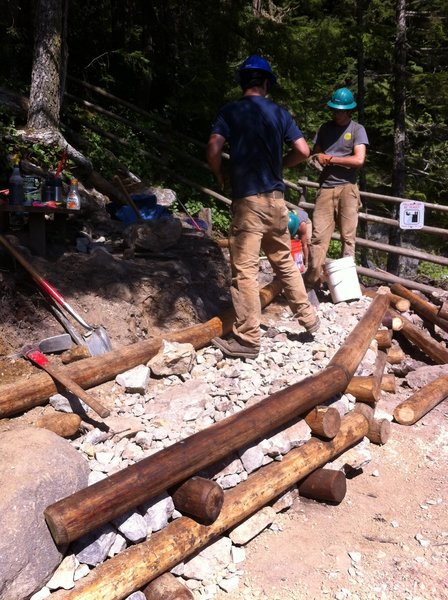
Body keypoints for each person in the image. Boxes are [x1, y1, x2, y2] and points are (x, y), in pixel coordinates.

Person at [206, 54, 320, 360]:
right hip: (276, 202)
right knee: (283, 260)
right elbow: (304, 150)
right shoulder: (279, 113)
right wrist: (282, 165)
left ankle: (247, 339)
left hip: (248, 202)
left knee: (244, 270)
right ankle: (309, 319)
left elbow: (214, 148)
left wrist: (220, 174)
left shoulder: (230, 111)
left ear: (243, 82)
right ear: (266, 83)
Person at [305, 87, 369, 291]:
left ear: (349, 110)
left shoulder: (357, 130)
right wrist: (318, 160)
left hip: (348, 188)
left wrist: (331, 159)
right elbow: (316, 155)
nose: (337, 113)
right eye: (335, 109)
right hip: (325, 187)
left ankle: (346, 286)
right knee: (318, 236)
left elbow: (359, 159)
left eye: (341, 110)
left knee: (348, 237)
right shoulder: (324, 128)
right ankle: (312, 281)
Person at [288, 208, 311, 274]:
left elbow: (304, 245)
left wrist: (305, 262)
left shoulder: (302, 225)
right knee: (293, 242)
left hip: (304, 221)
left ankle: (307, 262)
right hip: (294, 222)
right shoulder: (285, 221)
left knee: (307, 242)